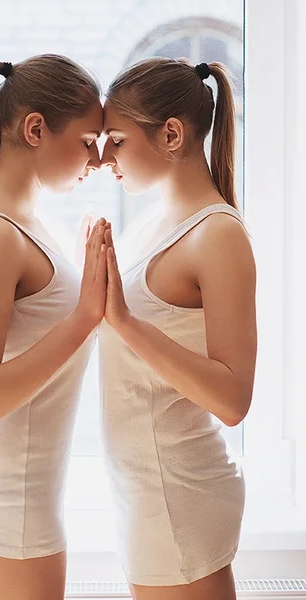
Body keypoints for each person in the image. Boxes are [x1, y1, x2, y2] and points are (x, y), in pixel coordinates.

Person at [0, 54, 106, 600]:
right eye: (88, 141)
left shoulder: (25, 224)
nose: (99, 160)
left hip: (18, 504)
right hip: (2, 508)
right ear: (36, 129)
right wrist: (82, 319)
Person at [99, 58, 257, 600]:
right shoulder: (151, 222)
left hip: (179, 495)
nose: (104, 156)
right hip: (145, 491)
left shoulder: (218, 235)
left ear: (170, 134)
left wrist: (124, 321)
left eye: (116, 140)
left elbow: (233, 398)